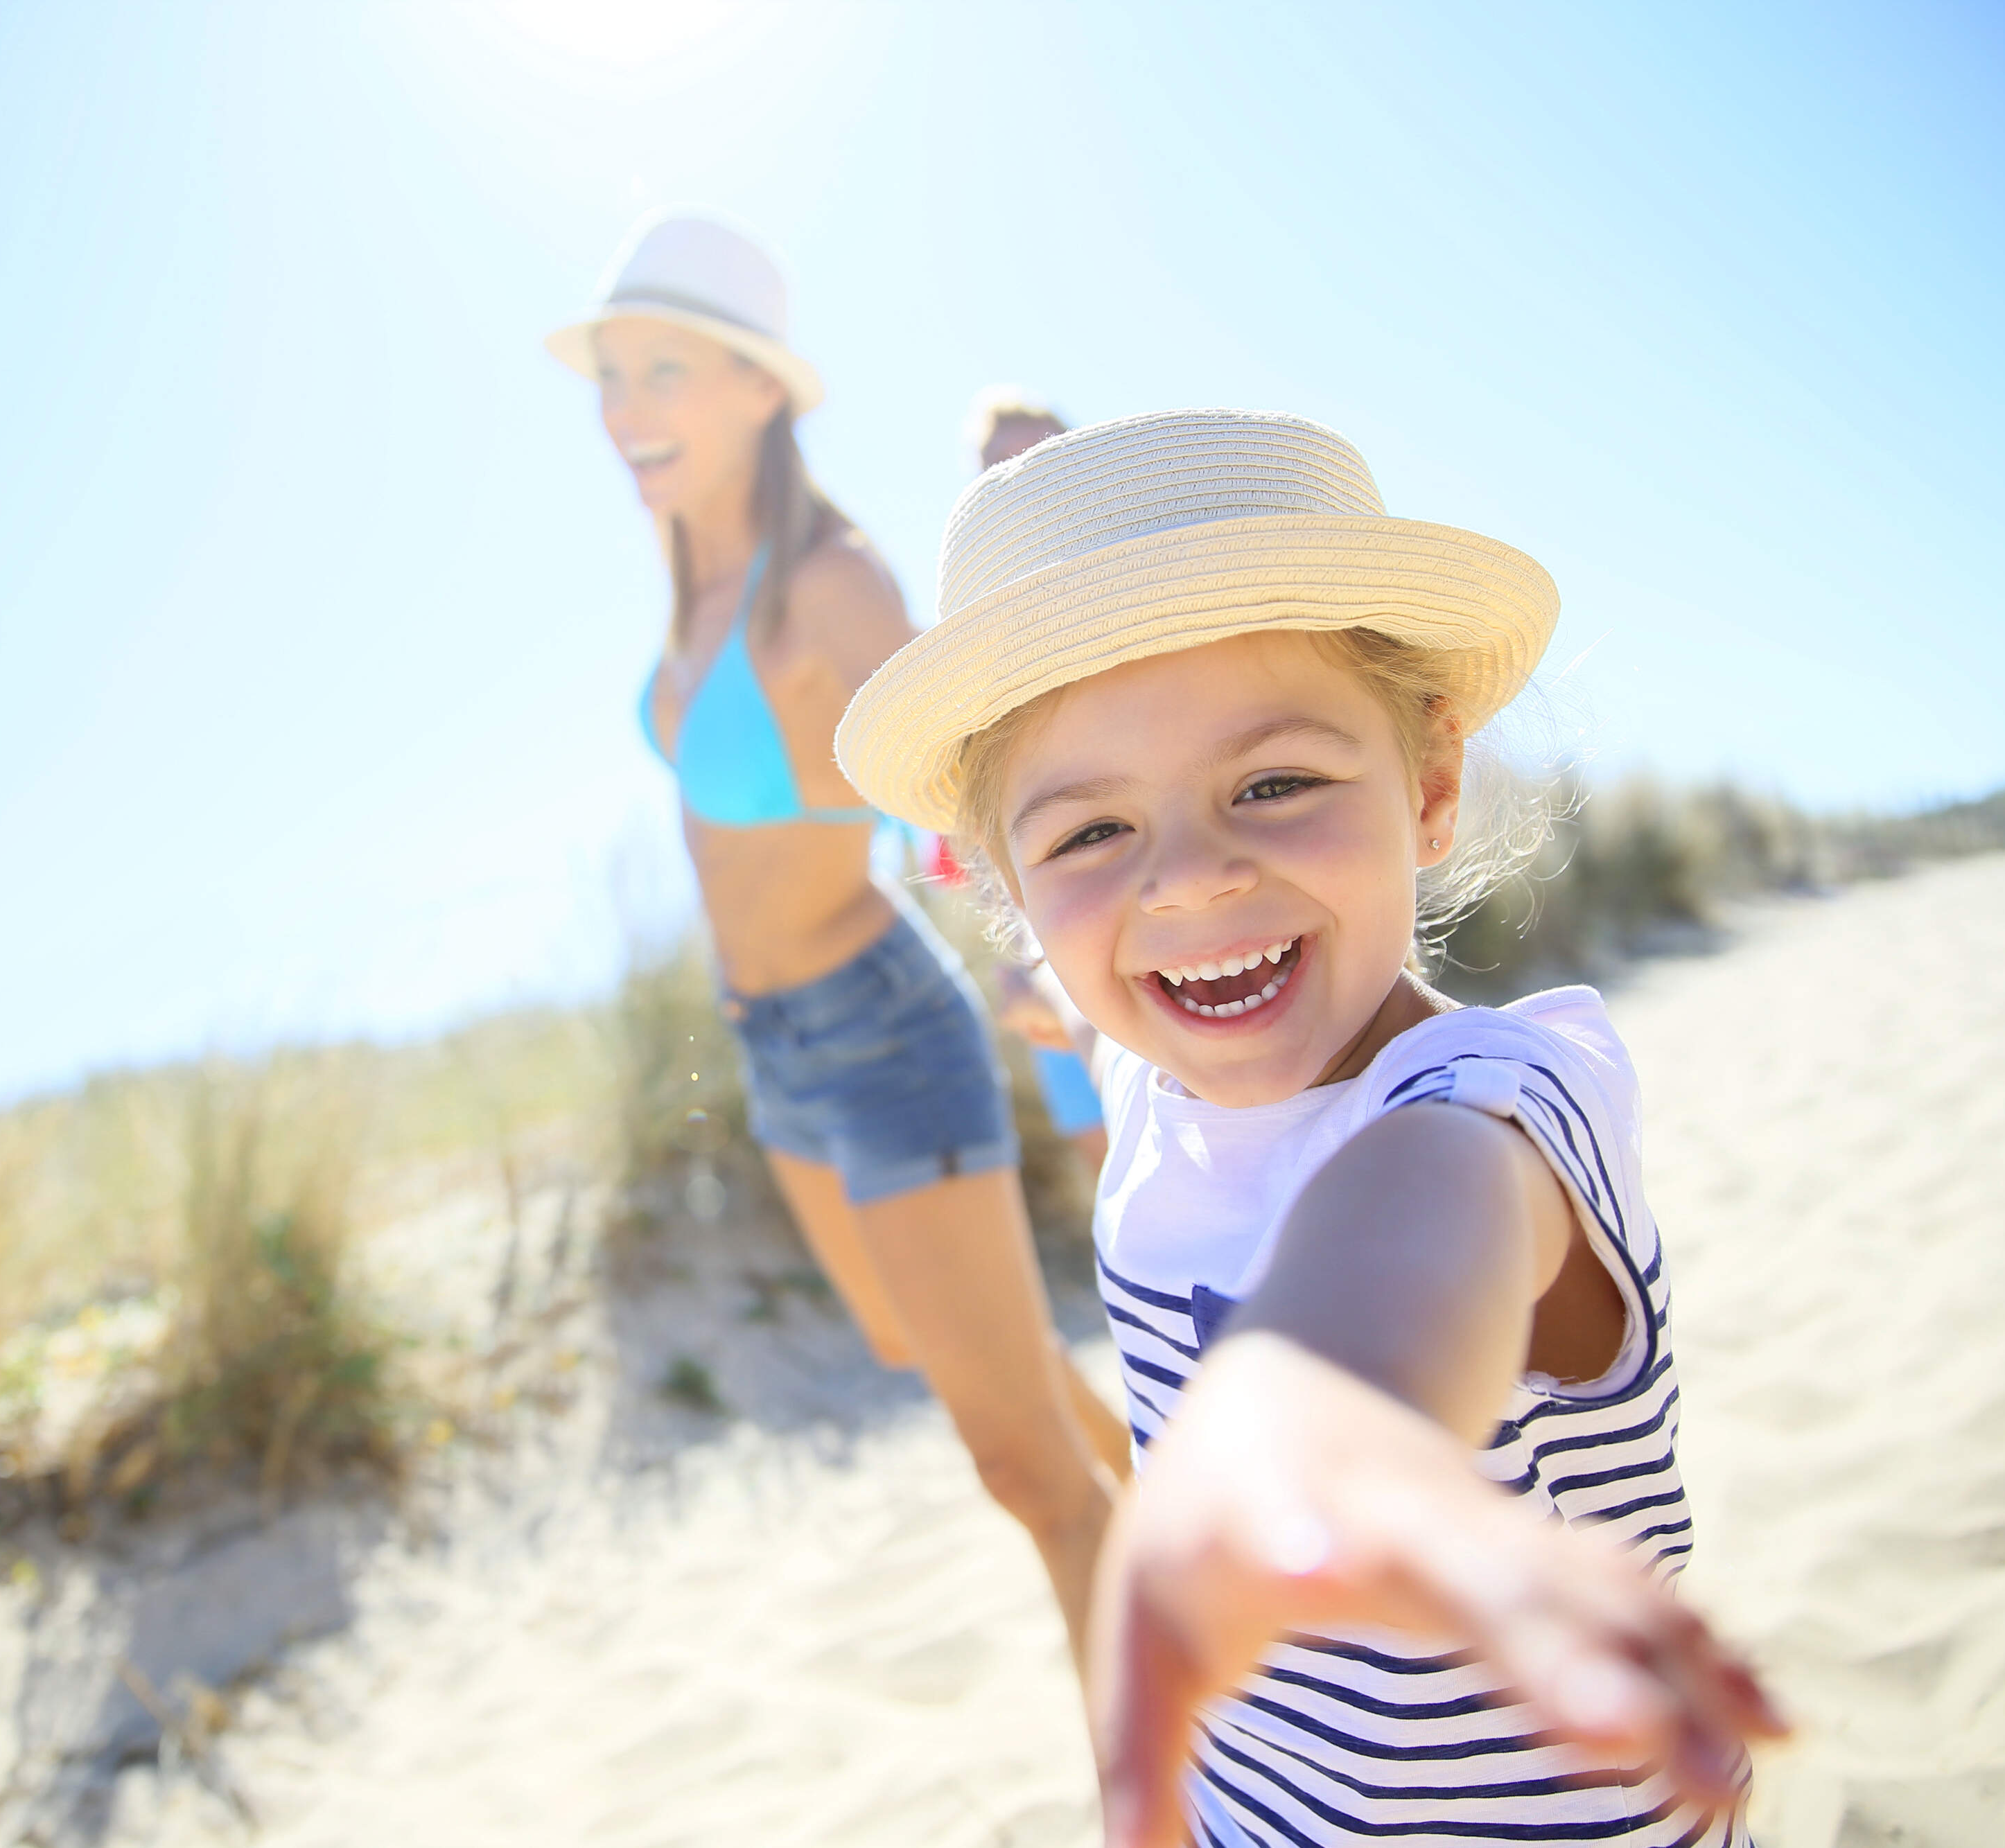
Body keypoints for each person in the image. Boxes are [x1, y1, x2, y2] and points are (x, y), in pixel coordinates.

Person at [834, 410, 1784, 1845]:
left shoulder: (1494, 1100)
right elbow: (1071, 983)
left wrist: (1316, 1420)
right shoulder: (1136, 1049)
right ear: (1011, 887)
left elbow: (1411, 1238)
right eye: (1088, 832)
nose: (1190, 884)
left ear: (1430, 784)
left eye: (1271, 784)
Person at [546, 211, 1130, 1657]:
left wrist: (1057, 959)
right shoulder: (693, 575)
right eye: (609, 376)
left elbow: (961, 790)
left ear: (760, 388)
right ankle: (1173, 1503)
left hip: (879, 1022)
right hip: (774, 1042)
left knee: (1025, 1480)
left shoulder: (828, 580)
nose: (624, 411)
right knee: (905, 1340)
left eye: (662, 372)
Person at [963, 388, 1109, 1172]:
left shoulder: (1146, 588)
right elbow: (971, 836)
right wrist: (1019, 957)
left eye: (1040, 456)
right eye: (999, 470)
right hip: (1050, 944)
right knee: (1111, 1154)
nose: (1022, 479)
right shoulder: (972, 658)